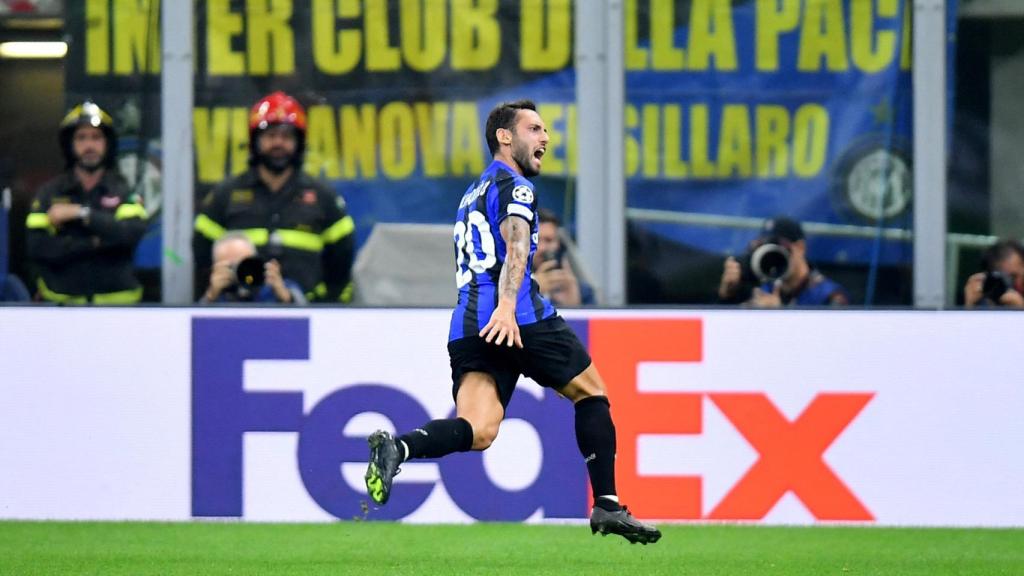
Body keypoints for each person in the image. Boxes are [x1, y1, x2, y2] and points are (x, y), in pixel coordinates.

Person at [363, 100, 661, 544]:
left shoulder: (473, 192)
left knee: (477, 429)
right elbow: (517, 245)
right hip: (517, 316)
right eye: (534, 129)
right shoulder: (514, 186)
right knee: (591, 393)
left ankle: (399, 447)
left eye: (545, 131)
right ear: (505, 137)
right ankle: (607, 504)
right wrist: (507, 307)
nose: (545, 138)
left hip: (469, 325)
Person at [193, 91, 355, 303]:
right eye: (270, 136)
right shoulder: (225, 195)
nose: (278, 143)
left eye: (286, 136)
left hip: (306, 313)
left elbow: (342, 261)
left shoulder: (323, 197)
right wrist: (214, 292)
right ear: (255, 141)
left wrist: (318, 306)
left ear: (299, 143)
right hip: (236, 310)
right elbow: (201, 256)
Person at [24, 101, 148, 304]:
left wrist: (81, 213)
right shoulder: (49, 193)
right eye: (81, 138)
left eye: (96, 137)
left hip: (119, 308)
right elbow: (38, 247)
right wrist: (95, 242)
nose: (89, 145)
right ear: (69, 144)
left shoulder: (123, 190)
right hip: (61, 308)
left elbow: (130, 235)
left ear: (107, 143)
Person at [717, 216, 848, 307]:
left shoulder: (829, 295)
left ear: (800, 247)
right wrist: (727, 294)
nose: (774, 257)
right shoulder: (762, 289)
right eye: (768, 249)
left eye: (780, 249)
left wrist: (780, 315)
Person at [198, 231, 306, 304]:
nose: (238, 271)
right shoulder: (216, 294)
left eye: (244, 264)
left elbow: (307, 316)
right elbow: (197, 324)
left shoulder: (273, 285)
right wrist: (211, 296)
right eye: (231, 266)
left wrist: (285, 296)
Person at [532, 208, 596, 306]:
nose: (542, 248)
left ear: (559, 245)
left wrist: (573, 304)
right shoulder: (512, 290)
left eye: (549, 240)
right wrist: (530, 291)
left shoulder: (582, 292)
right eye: (535, 240)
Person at [963, 239, 1024, 308]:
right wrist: (970, 306)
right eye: (1002, 278)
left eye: (1013, 277)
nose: (1006, 284)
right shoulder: (984, 300)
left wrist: (1020, 308)